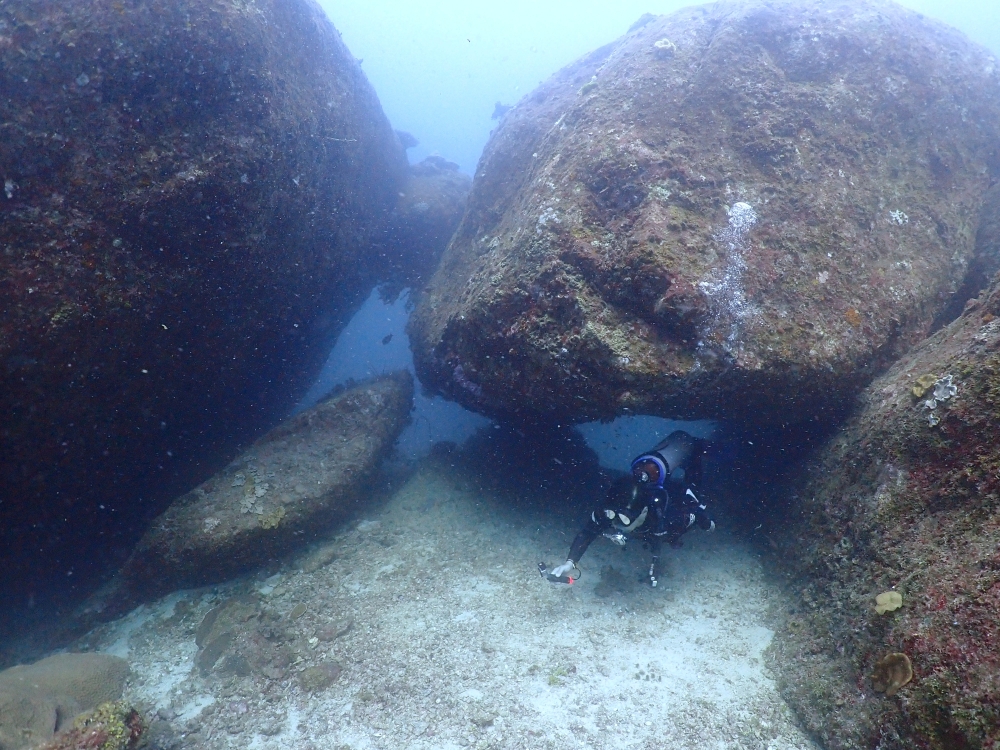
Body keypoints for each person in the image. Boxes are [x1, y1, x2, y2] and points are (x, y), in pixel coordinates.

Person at [548, 430, 715, 587]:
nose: (615, 522)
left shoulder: (666, 518)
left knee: (694, 487)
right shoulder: (609, 512)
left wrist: (707, 523)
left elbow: (696, 515)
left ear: (643, 513)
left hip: (675, 496)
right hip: (649, 481)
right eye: (612, 514)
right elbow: (588, 532)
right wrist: (569, 563)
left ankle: (697, 450)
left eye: (625, 518)